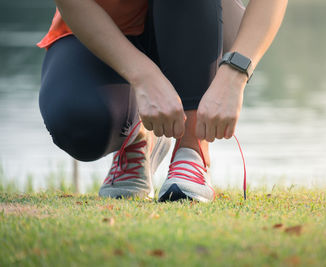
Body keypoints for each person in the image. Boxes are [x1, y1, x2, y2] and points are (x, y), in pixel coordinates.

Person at [38, 0, 287, 202]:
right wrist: (143, 76)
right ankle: (139, 138)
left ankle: (191, 149)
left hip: (200, 18)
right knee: (78, 122)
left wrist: (235, 74)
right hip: (100, 24)